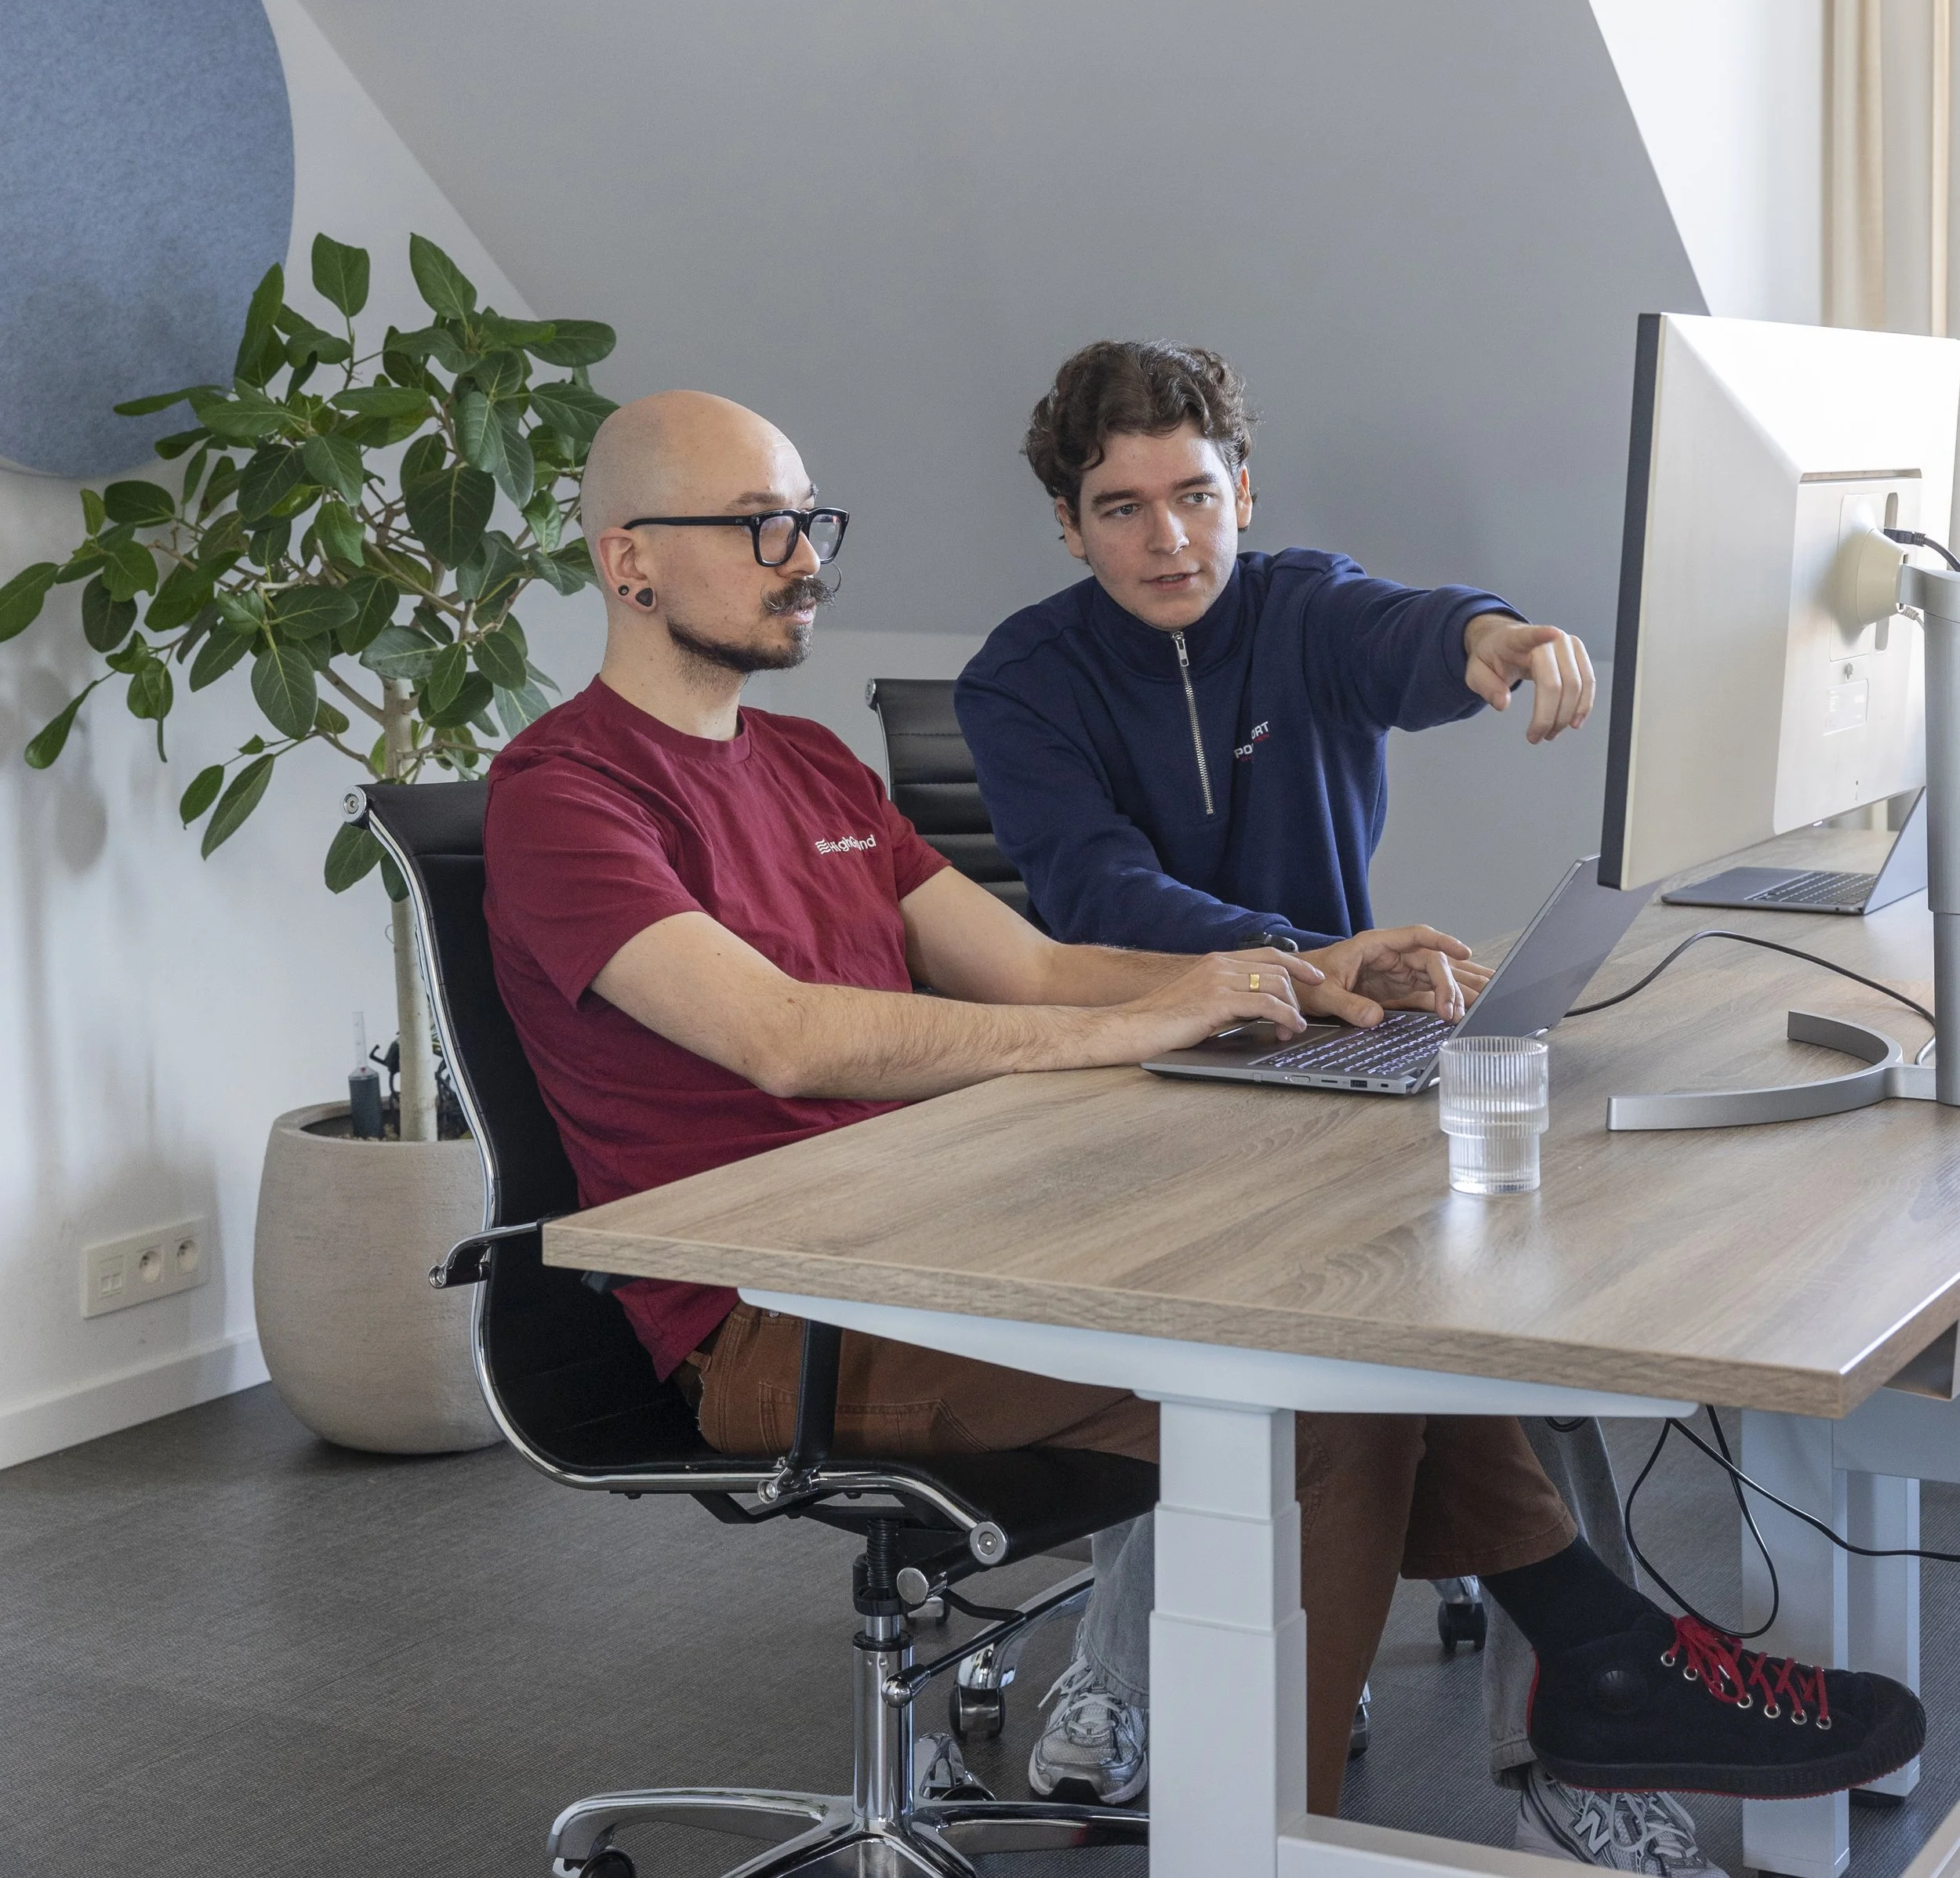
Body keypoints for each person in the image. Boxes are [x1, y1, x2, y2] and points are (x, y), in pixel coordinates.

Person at [483, 386, 1922, 1834]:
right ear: (630, 561)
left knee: (1371, 1319)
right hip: (777, 1307)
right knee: (1305, 1394)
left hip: (940, 1223)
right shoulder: (565, 791)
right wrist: (1123, 1025)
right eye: (760, 525)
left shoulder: (811, 766)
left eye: (810, 520)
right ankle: (1293, 1820)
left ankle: (1591, 1669)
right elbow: (781, 1038)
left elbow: (1036, 963)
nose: (805, 555)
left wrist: (1287, 969)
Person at [949, 343, 1673, 1867]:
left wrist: (1490, 635)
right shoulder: (1019, 677)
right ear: (1068, 529)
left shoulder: (1296, 608)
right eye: (1122, 508)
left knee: (1513, 1333)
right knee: (1205, 1335)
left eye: (1195, 497)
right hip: (1124, 1075)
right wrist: (1302, 958)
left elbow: (1405, 633)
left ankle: (1574, 1743)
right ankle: (1119, 1679)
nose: (1168, 540)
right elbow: (1093, 892)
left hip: (1328, 1056)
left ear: (1242, 491)